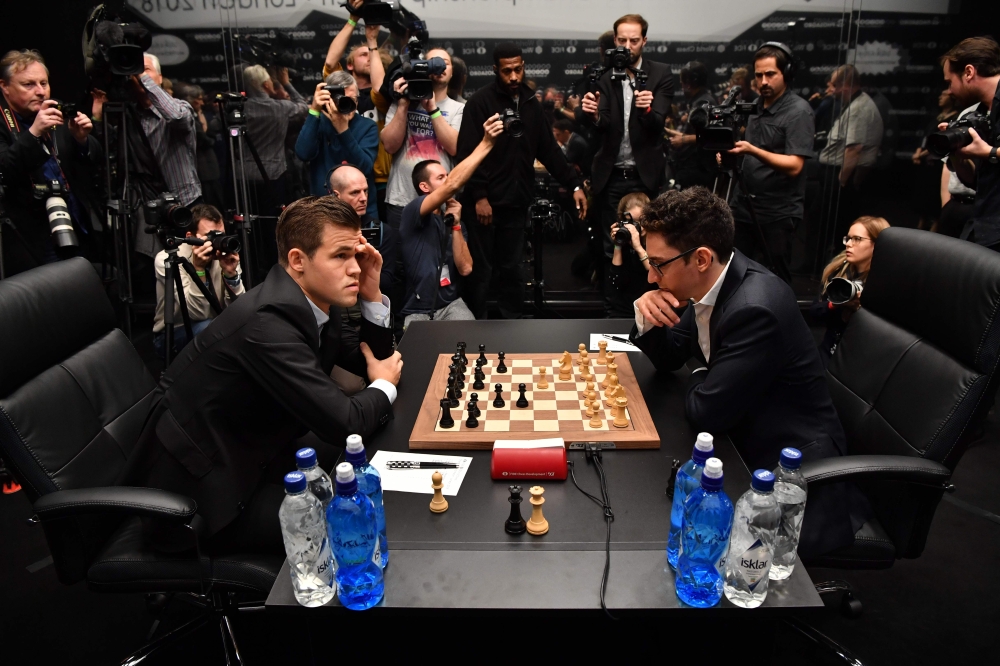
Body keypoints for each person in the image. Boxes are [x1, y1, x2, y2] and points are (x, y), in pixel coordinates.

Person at [127, 196, 402, 555]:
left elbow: (374, 358)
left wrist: (371, 293)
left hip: (261, 454)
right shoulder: (268, 324)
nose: (354, 268)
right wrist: (383, 385)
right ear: (297, 261)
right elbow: (345, 420)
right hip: (207, 497)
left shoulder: (311, 302)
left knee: (371, 490)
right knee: (356, 533)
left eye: (357, 255)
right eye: (340, 256)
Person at [628, 186, 865, 559]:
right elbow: (673, 357)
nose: (652, 278)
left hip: (787, 471)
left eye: (659, 264)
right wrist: (649, 317)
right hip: (741, 440)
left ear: (702, 258)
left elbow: (709, 411)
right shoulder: (715, 282)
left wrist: (702, 371)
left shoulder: (755, 308)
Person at [455, 42, 586, 319]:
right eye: (506, 71)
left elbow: (549, 150)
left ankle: (510, 329)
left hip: (516, 202)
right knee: (480, 271)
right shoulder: (480, 102)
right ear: (495, 70)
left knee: (512, 269)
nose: (513, 76)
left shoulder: (530, 103)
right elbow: (467, 153)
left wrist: (574, 184)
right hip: (484, 203)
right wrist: (479, 196)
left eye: (517, 69)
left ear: (523, 66)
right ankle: (473, 326)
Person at [581, 14, 674, 261]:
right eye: (622, 40)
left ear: (644, 41)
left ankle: (647, 298)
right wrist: (593, 114)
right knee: (612, 246)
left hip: (645, 175)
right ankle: (612, 299)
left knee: (651, 243)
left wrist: (646, 110)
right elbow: (603, 125)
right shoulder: (602, 75)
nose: (628, 46)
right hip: (610, 175)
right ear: (614, 40)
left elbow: (657, 126)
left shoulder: (661, 73)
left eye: (634, 40)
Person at [0, 49, 100, 276]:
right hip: (29, 235)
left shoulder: (55, 113)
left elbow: (95, 163)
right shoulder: (4, 121)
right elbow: (4, 168)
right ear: (5, 87)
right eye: (28, 85)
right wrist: (34, 133)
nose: (40, 92)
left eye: (43, 83)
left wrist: (82, 140)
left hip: (74, 224)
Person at [400, 115, 504, 329]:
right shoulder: (413, 212)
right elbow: (453, 186)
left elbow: (465, 269)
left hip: (451, 305)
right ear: (424, 187)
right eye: (440, 178)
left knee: (473, 342)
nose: (447, 181)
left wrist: (456, 225)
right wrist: (485, 144)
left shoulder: (454, 222)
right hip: (418, 311)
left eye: (447, 175)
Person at [380, 44, 463, 305]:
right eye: (431, 62)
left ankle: (435, 313)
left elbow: (455, 146)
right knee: (398, 267)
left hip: (438, 202)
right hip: (400, 197)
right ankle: (400, 324)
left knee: (434, 264)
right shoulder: (401, 101)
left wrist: (432, 109)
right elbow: (389, 144)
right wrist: (404, 103)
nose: (439, 67)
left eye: (445, 63)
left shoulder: (459, 108)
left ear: (452, 71)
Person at [726, 43, 816, 278]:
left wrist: (752, 150)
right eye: (758, 75)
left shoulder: (798, 111)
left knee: (775, 278)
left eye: (770, 74)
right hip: (744, 206)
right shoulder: (753, 107)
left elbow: (795, 165)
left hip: (777, 212)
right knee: (734, 272)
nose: (763, 81)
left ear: (785, 73)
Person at [152, 204, 244, 358]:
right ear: (190, 237)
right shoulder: (167, 259)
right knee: (208, 329)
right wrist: (199, 269)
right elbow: (197, 314)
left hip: (215, 328)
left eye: (220, 235)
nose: (218, 242)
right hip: (175, 333)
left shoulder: (224, 253)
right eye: (211, 236)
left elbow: (240, 311)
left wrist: (231, 275)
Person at [938, 37, 1000, 251]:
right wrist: (957, 155)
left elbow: (990, 154)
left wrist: (990, 152)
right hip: (984, 223)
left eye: (949, 82)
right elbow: (975, 181)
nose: (949, 91)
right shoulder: (975, 114)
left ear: (969, 72)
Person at [295, 72, 379, 220]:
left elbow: (365, 166)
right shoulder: (319, 122)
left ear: (357, 100)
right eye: (339, 98)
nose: (344, 103)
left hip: (360, 212)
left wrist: (343, 130)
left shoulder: (367, 126)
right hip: (323, 210)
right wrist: (314, 110)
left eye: (350, 99)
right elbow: (303, 153)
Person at [818, 64, 884, 241]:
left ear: (844, 85)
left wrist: (841, 182)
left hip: (842, 177)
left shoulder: (859, 108)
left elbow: (854, 149)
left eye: (833, 85)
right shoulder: (854, 104)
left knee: (839, 225)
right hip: (840, 174)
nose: (830, 90)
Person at [814, 216, 890, 364]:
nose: (848, 244)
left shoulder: (885, 282)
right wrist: (835, 304)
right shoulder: (837, 270)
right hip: (828, 352)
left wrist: (862, 308)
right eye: (848, 238)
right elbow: (814, 311)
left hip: (863, 359)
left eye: (857, 239)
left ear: (878, 244)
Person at [667, 61, 717, 191]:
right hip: (691, 167)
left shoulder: (703, 103)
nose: (682, 87)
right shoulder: (698, 101)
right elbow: (695, 134)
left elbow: (710, 136)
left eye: (682, 83)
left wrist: (682, 140)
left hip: (697, 169)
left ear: (688, 84)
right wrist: (665, 130)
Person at [607, 191, 656, 317]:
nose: (639, 227)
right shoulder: (625, 239)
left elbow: (656, 276)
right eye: (633, 222)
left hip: (650, 307)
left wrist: (638, 247)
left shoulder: (656, 242)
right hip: (623, 308)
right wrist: (618, 244)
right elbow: (616, 282)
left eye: (641, 220)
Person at [939, 103, 980, 238]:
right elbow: (948, 164)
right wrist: (946, 205)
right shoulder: (968, 112)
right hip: (956, 204)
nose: (950, 90)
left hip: (983, 207)